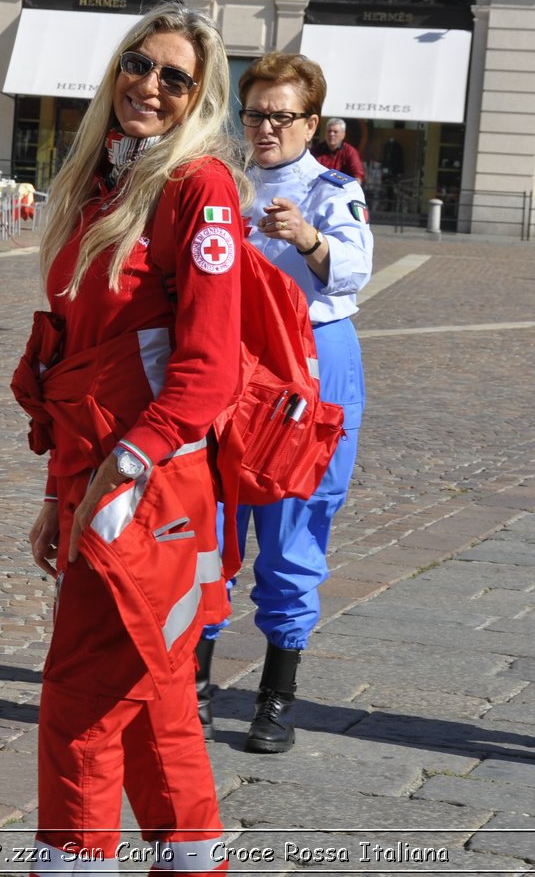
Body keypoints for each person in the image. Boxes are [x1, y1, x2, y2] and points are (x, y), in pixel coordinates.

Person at [13, 2, 248, 875]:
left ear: (199, 97)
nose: (150, 85)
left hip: (148, 486)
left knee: (81, 700)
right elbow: (72, 353)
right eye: (139, 64)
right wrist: (55, 493)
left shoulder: (198, 188)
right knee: (156, 699)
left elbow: (209, 366)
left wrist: (124, 469)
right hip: (98, 472)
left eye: (174, 76)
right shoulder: (104, 184)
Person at [195, 53, 373, 753]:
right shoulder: (221, 183)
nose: (266, 127)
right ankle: (195, 682)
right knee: (208, 523)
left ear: (312, 121)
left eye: (282, 115)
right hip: (230, 365)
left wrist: (309, 238)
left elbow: (355, 261)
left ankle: (277, 693)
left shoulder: (333, 189)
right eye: (256, 113)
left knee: (295, 528)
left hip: (312, 364)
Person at [311, 117, 364, 183]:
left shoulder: (350, 152)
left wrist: (353, 189)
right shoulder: (316, 150)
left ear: (343, 135)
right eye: (329, 131)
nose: (331, 134)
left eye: (335, 132)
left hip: (342, 191)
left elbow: (358, 173)